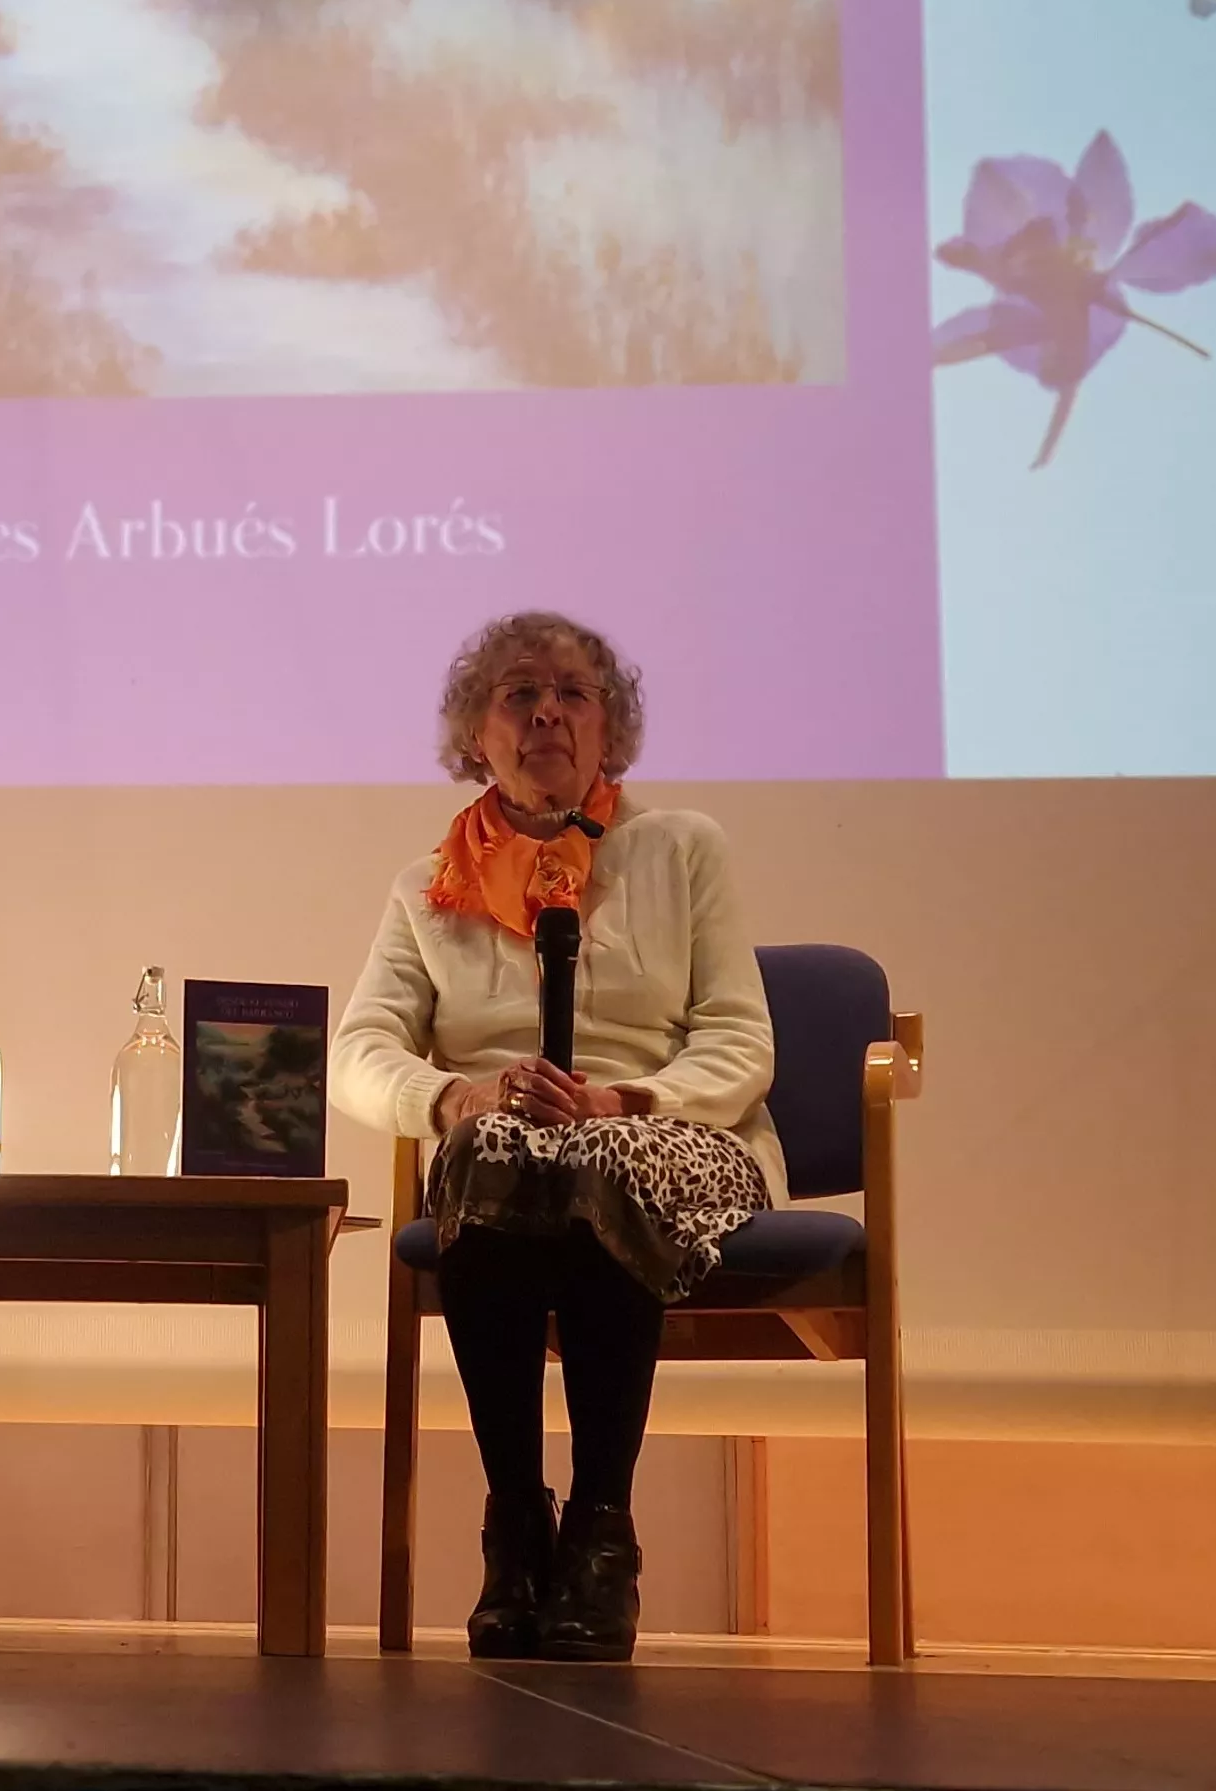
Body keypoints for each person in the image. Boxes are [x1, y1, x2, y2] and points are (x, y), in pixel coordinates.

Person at [330, 611, 782, 1664]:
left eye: (572, 693)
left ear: (609, 732)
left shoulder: (680, 849)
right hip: (507, 1154)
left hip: (668, 1139)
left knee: (592, 1163)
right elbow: (359, 1051)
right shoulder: (423, 888)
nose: (545, 712)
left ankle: (601, 1534)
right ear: (474, 740)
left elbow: (738, 1037)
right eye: (516, 694)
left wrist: (622, 1103)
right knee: (493, 1159)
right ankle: (515, 1530)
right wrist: (456, 1098)